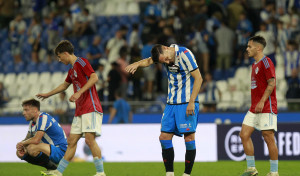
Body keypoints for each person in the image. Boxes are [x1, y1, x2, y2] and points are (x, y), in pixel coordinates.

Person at [125, 44, 203, 176]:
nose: (167, 62)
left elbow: (199, 78)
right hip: (171, 103)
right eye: (164, 62)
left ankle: (186, 174)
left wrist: (191, 101)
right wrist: (137, 64)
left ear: (166, 48)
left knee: (189, 139)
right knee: (164, 137)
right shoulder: (163, 55)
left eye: (166, 59)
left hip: (187, 102)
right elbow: (149, 60)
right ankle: (169, 174)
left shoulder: (185, 54)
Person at [36, 40, 106, 176]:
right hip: (80, 110)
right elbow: (64, 85)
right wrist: (47, 94)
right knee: (71, 141)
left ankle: (100, 173)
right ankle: (58, 172)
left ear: (66, 53)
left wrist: (79, 92)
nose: (59, 59)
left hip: (90, 107)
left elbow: (94, 77)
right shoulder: (72, 70)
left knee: (89, 140)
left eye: (59, 56)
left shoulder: (82, 62)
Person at [240, 36, 279, 176]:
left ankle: (274, 172)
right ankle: (252, 169)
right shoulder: (254, 65)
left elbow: (272, 83)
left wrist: (262, 101)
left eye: (250, 46)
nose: (247, 49)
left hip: (266, 106)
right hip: (254, 108)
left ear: (258, 48)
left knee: (268, 136)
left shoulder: (266, 62)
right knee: (244, 134)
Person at [16, 99, 67, 171]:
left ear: (35, 110)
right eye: (23, 110)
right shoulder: (32, 123)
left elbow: (36, 140)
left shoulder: (43, 117)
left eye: (26, 110)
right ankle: (51, 168)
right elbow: (27, 139)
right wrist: (21, 146)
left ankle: (53, 169)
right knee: (19, 152)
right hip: (49, 150)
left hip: (60, 151)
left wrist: (22, 143)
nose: (23, 113)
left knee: (32, 148)